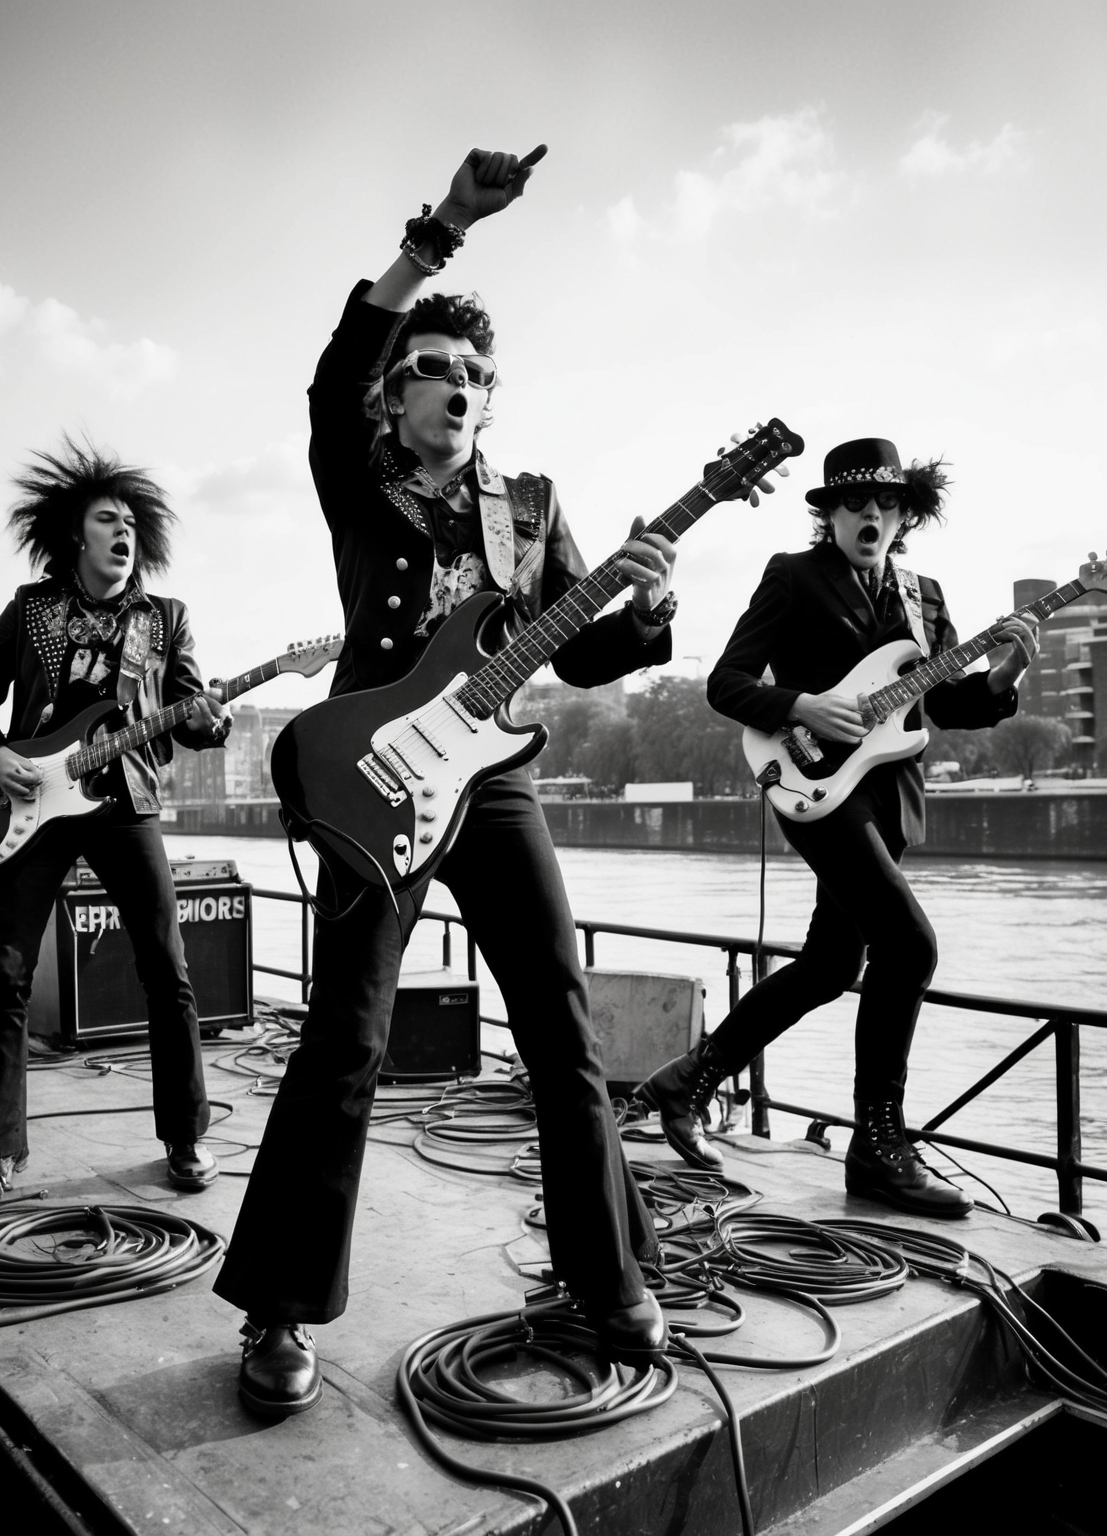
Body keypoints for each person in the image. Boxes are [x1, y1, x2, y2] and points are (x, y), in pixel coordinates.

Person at [213, 146, 776, 1419]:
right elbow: (334, 361)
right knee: (346, 1039)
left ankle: (610, 1276)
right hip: (375, 779)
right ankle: (279, 1309)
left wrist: (648, 599)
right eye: (438, 370)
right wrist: (447, 227)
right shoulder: (354, 478)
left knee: (561, 1030)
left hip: (498, 782)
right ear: (392, 395)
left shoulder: (527, 506)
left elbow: (580, 652)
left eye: (479, 377)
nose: (461, 388)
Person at [636, 438, 1038, 1218]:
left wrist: (1007, 673)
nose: (872, 518)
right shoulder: (793, 576)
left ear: (903, 516)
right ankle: (879, 1149)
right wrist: (800, 705)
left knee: (828, 965)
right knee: (910, 946)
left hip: (887, 799)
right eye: (856, 505)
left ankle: (686, 1080)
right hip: (817, 788)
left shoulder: (924, 595)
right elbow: (726, 682)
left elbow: (944, 704)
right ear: (831, 515)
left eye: (886, 506)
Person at [0, 439, 231, 1212]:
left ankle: (185, 1138)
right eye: (106, 519)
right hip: (33, 807)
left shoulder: (164, 619)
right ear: (75, 536)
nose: (122, 532)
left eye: (132, 524)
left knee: (168, 973)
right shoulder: (30, 608)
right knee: (4, 976)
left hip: (125, 806)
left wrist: (212, 721)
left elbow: (192, 709)